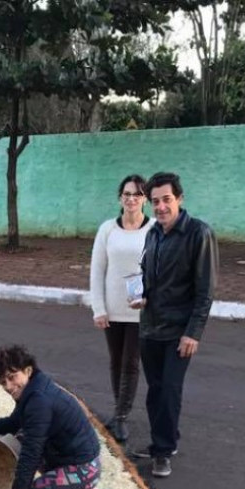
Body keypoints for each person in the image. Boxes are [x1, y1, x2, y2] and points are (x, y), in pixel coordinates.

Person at [133, 172, 218, 478]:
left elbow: (205, 291)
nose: (161, 207)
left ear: (179, 199)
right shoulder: (153, 233)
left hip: (179, 332)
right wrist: (140, 295)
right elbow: (148, 274)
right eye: (155, 201)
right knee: (155, 391)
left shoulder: (199, 234)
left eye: (166, 200)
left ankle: (163, 451)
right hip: (150, 328)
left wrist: (193, 333)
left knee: (169, 389)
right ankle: (163, 441)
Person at [0, 346, 101, 489]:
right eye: (3, 382)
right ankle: (65, 486)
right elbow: (15, 422)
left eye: (12, 377)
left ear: (28, 371)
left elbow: (32, 449)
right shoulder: (33, 389)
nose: (8, 386)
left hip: (83, 468)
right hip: (68, 457)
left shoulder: (39, 400)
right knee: (21, 437)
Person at [90, 173, 150, 444]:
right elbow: (97, 270)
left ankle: (122, 417)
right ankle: (118, 411)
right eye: (127, 194)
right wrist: (98, 308)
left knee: (131, 363)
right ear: (120, 198)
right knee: (116, 361)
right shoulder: (108, 229)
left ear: (145, 199)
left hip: (140, 307)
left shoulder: (153, 230)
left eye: (137, 194)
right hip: (112, 308)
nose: (131, 199)